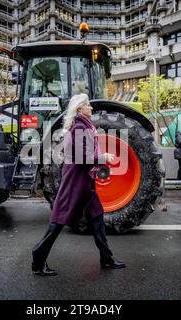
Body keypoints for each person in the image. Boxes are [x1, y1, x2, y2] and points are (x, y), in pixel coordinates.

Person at [31, 93, 125, 276]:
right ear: (80, 108)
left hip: (85, 183)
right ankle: (38, 258)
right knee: (58, 221)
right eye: (88, 105)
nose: (91, 107)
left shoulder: (84, 126)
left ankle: (106, 258)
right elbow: (84, 158)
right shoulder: (78, 128)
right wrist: (103, 157)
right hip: (75, 181)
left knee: (97, 218)